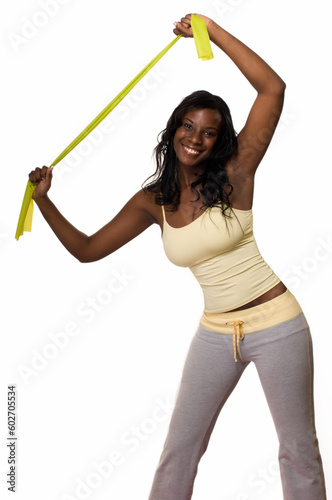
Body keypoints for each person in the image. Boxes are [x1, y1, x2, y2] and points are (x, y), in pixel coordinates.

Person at [28, 13, 326, 500]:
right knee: (179, 449)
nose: (195, 137)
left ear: (219, 141)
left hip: (277, 324)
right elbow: (86, 250)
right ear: (172, 131)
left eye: (209, 132)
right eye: (188, 126)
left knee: (298, 450)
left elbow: (273, 88)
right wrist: (44, 202)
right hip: (214, 332)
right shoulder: (154, 202)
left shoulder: (237, 172)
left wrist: (210, 30)